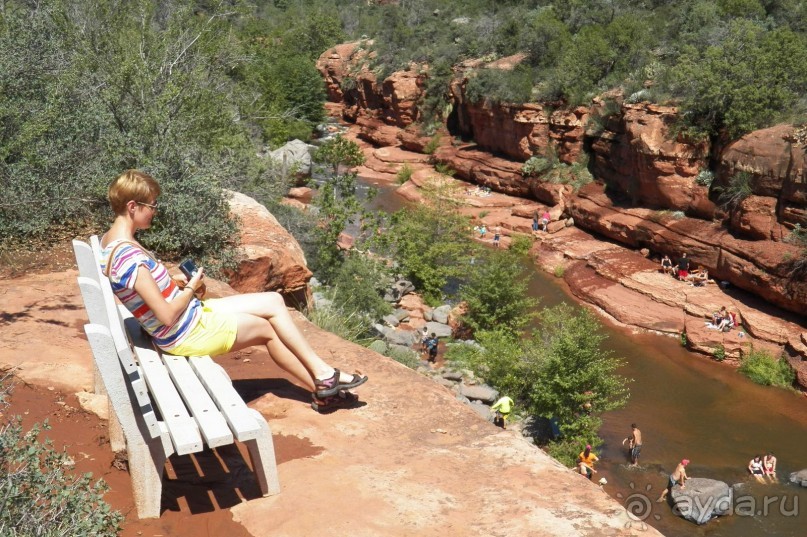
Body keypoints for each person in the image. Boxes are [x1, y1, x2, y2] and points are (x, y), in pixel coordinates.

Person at [100, 170, 368, 411]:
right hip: (182, 331)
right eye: (152, 205)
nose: (155, 210)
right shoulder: (131, 258)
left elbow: (143, 288)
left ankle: (323, 376)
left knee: (274, 300)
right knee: (267, 330)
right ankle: (323, 382)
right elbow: (167, 315)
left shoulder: (111, 242)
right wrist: (191, 287)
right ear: (132, 206)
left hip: (188, 318)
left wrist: (175, 280)